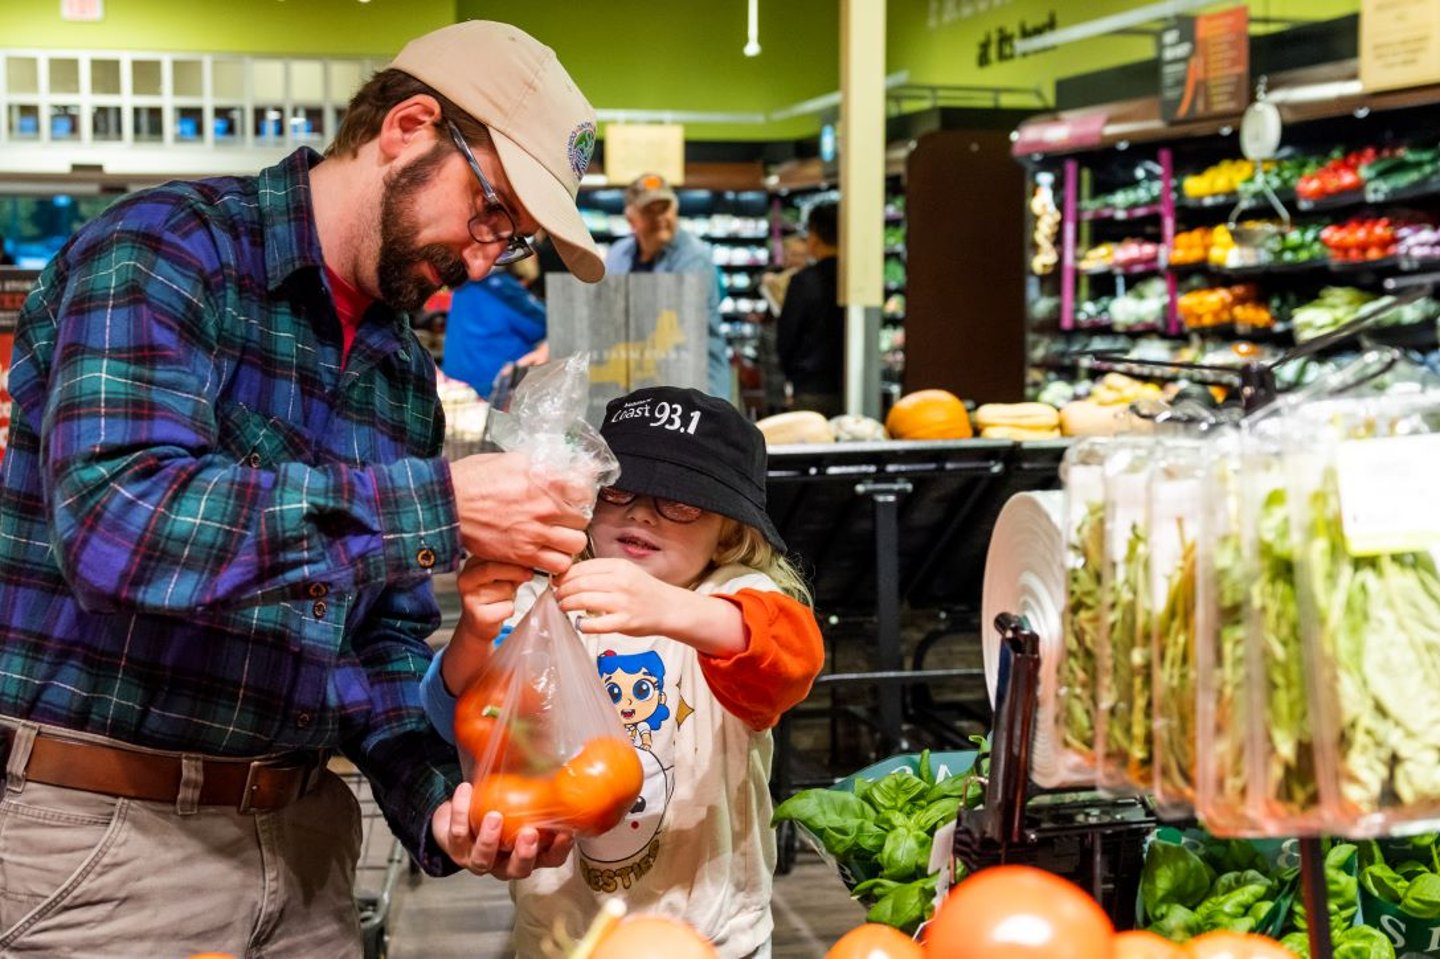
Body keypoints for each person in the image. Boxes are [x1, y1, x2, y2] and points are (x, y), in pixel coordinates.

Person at [0, 19, 606, 955]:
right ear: (408, 127)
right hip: (104, 835)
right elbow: (120, 525)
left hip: (308, 844)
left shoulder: (400, 374)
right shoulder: (167, 251)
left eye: (513, 240)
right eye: (491, 212)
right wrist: (442, 503)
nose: (485, 258)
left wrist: (446, 797)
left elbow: (374, 651)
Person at [421, 385, 825, 959]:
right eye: (619, 490)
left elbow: (792, 655)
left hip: (709, 938)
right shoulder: (543, 594)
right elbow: (454, 714)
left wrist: (670, 610)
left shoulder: (732, 597)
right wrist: (475, 633)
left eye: (680, 503)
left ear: (729, 532)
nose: (640, 512)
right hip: (562, 937)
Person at [605, 173, 731, 402]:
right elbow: (600, 305)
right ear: (630, 217)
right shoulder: (618, 253)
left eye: (665, 208)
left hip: (696, 390)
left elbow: (669, 325)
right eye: (649, 210)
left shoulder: (695, 256)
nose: (660, 217)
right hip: (640, 386)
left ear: (676, 210)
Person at [776, 201, 845, 417]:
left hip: (811, 389)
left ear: (814, 237)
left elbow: (786, 337)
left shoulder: (803, 282)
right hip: (853, 388)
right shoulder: (855, 280)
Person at [441, 262, 548, 398]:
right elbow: (541, 325)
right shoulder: (501, 288)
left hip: (455, 385)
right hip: (493, 389)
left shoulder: (463, 286)